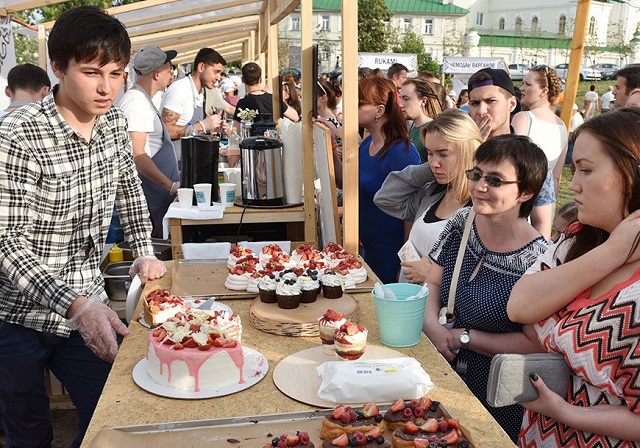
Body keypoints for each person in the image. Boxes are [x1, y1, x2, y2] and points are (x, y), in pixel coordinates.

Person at [0, 6, 166, 447]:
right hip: (16, 314)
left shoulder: (113, 121)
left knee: (112, 416)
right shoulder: (18, 133)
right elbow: (7, 242)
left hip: (87, 306)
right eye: (92, 72)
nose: (106, 87)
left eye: (117, 73)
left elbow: (128, 191)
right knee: (28, 431)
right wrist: (77, 306)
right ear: (57, 67)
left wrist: (144, 250)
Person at [508, 108, 640, 447]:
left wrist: (566, 412)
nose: (572, 184)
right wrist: (613, 252)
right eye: (574, 168)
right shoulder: (577, 240)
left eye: (586, 170)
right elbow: (520, 306)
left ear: (633, 173)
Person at [422, 134, 549, 442]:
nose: (479, 186)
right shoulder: (462, 220)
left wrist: (466, 338)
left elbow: (535, 343)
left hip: (496, 396)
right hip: (439, 375)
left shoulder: (539, 260)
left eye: (494, 180)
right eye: (476, 174)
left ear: (526, 192)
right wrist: (435, 331)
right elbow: (432, 281)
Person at [374, 109, 482, 284]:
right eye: (430, 153)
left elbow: (484, 281)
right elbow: (385, 198)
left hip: (436, 309)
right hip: (408, 303)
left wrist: (433, 276)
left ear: (467, 152)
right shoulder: (433, 192)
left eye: (443, 153)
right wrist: (432, 170)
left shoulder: (482, 209)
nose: (434, 162)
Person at [334, 77, 420, 283]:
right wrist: (328, 149)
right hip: (368, 249)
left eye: (359, 103)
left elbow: (413, 212)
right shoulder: (367, 144)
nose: (350, 108)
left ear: (379, 111)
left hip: (391, 253)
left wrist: (404, 263)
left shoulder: (402, 153)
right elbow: (347, 184)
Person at [467, 67, 556, 240]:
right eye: (475, 103)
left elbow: (541, 220)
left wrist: (535, 263)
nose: (481, 111)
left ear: (512, 104)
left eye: (491, 101)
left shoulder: (528, 157)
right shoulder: (459, 148)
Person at [117, 45, 179, 239]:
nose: (171, 72)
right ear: (156, 73)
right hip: (150, 197)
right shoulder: (136, 102)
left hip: (157, 195)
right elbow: (138, 155)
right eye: (169, 68)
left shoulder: (143, 100)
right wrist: (170, 186)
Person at [160, 47, 226, 165]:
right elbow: (166, 131)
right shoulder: (181, 89)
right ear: (201, 67)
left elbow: (191, 127)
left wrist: (213, 128)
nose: (218, 78)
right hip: (175, 165)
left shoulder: (200, 91)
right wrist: (202, 125)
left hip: (191, 162)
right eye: (216, 71)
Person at [512, 65, 568, 195]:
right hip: (545, 198)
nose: (521, 88)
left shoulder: (523, 118)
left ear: (544, 91)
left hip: (520, 196)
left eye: (527, 84)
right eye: (522, 83)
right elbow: (555, 177)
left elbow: (511, 164)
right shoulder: (562, 125)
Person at [232, 62, 299, 133]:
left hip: (251, 142)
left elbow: (236, 130)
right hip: (273, 140)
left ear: (243, 80)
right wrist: (278, 98)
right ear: (260, 80)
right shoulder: (273, 99)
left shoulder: (243, 103)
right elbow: (295, 117)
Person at [399, 78, 442, 162]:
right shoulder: (411, 128)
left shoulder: (434, 130)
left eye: (406, 99)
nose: (400, 104)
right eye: (400, 98)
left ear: (423, 101)